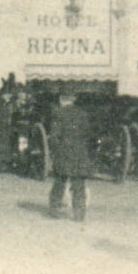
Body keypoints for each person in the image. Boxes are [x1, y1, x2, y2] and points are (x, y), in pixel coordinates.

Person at [48, 91, 93, 222]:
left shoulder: (59, 113)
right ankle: (79, 214)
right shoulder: (83, 114)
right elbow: (88, 134)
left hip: (64, 151)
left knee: (60, 181)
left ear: (62, 99)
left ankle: (54, 209)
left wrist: (54, 150)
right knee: (79, 183)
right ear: (73, 100)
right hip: (80, 152)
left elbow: (54, 136)